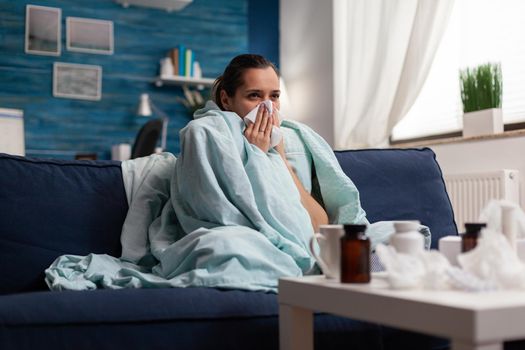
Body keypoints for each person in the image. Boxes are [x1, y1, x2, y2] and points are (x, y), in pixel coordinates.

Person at [212, 54, 329, 232]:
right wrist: (255, 155)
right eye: (254, 96)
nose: (267, 107)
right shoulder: (210, 136)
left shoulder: (288, 142)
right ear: (226, 100)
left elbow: (320, 226)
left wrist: (280, 156)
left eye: (274, 96)